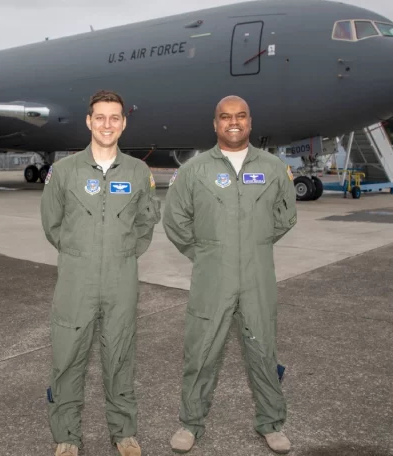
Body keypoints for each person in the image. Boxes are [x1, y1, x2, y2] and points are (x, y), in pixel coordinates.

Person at [162, 95, 297, 454]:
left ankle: (271, 423)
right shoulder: (194, 170)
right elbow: (174, 220)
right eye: (225, 117)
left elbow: (286, 216)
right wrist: (205, 254)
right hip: (211, 279)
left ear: (250, 122)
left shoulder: (272, 167)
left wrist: (256, 244)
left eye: (240, 116)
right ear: (215, 124)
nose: (232, 122)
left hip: (257, 278)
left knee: (263, 351)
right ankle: (190, 423)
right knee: (201, 352)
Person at [40, 90, 161, 456]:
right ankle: (66, 435)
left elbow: (146, 223)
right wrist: (81, 253)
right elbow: (52, 224)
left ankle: (123, 432)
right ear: (89, 121)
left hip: (121, 278)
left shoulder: (139, 172)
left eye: (114, 118)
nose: (107, 124)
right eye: (100, 117)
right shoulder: (63, 171)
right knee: (68, 356)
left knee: (121, 354)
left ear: (123, 123)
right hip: (76, 279)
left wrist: (122, 254)